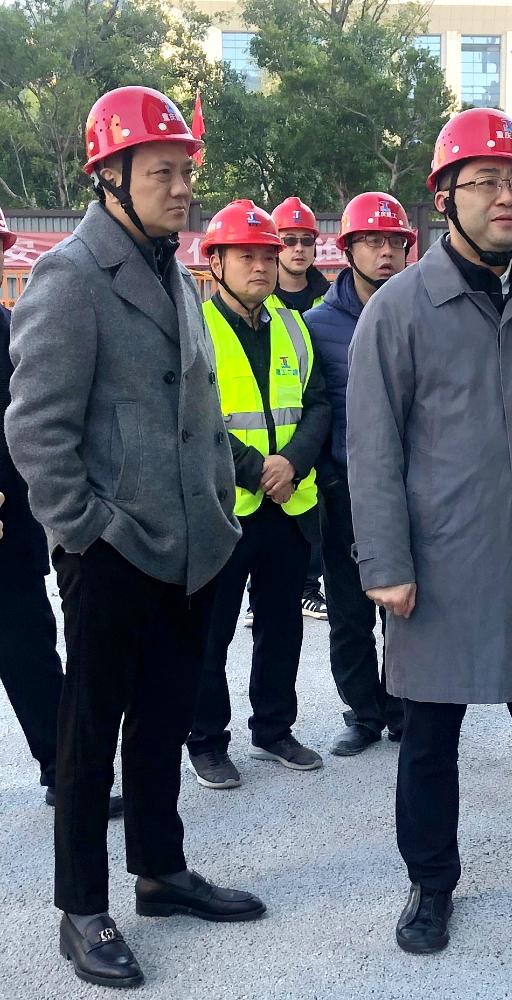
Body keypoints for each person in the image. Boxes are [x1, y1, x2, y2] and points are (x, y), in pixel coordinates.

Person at [6, 86, 265, 990]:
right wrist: (86, 533)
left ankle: (160, 872)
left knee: (161, 720)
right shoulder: (73, 277)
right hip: (114, 554)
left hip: (192, 547)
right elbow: (36, 428)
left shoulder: (174, 272)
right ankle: (82, 910)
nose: (182, 187)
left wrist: (220, 507)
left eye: (186, 171)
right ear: (110, 176)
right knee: (90, 739)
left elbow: (194, 412)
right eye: (162, 171)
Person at [346, 107, 512, 954]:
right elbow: (372, 450)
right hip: (440, 561)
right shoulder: (400, 310)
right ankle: (430, 884)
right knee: (431, 734)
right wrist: (384, 561)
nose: (506, 197)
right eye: (485, 182)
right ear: (444, 198)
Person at [185, 199, 330, 790]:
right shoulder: (195, 329)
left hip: (288, 506)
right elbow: (193, 421)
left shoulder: (293, 325)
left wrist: (292, 463)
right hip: (226, 508)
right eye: (246, 255)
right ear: (215, 263)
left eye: (268, 256)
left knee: (281, 627)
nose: (262, 266)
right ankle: (206, 741)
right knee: (210, 633)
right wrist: (256, 470)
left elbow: (318, 404)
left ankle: (273, 729)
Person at [0, 205, 126, 819]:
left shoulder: (12, 328)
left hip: (10, 534)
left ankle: (65, 775)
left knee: (31, 653)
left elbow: (35, 422)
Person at [304, 192, 412, 756]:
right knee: (349, 611)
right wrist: (326, 478)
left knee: (406, 606)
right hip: (344, 491)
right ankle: (363, 714)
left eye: (394, 241)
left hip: (411, 488)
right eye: (371, 241)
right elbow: (315, 409)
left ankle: (405, 708)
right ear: (347, 251)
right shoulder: (316, 326)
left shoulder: (423, 313)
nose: (385, 251)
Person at [271, 195, 331, 621]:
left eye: (305, 240)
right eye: (288, 240)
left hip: (318, 423)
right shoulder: (257, 299)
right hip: (272, 432)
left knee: (317, 512)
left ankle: (309, 586)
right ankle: (263, 592)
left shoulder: (330, 299)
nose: (298, 249)